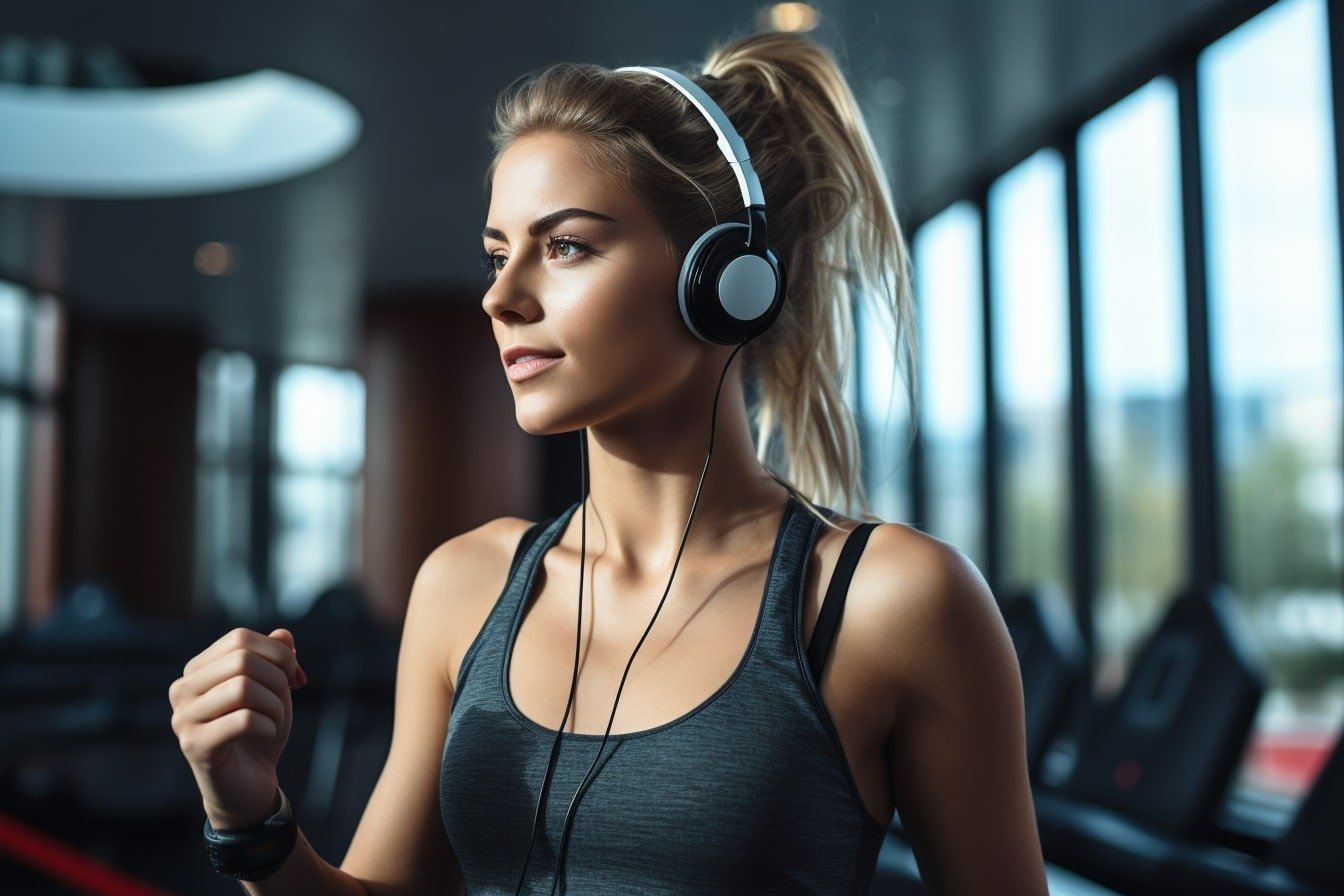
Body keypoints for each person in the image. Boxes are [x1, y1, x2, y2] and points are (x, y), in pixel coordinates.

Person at [168, 30, 1048, 896]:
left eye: (567, 246)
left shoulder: (888, 603)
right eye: (497, 255)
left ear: (722, 278)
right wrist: (250, 817)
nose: (501, 298)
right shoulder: (465, 586)